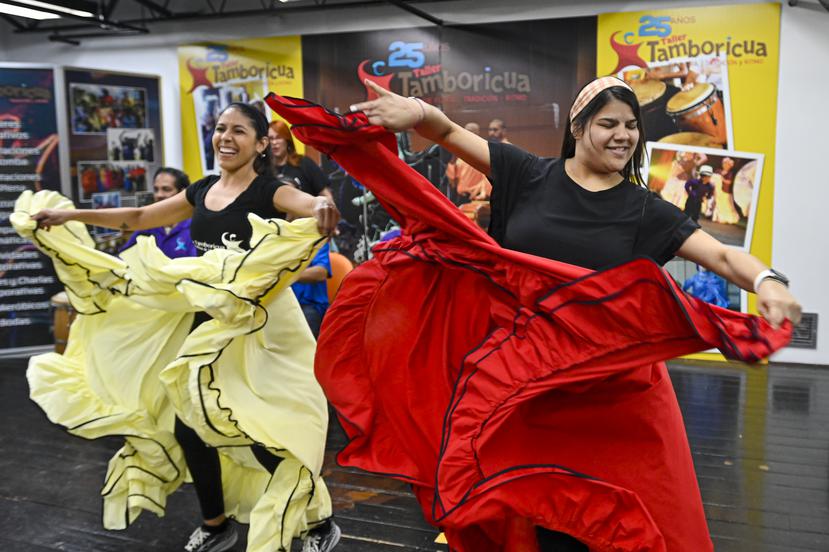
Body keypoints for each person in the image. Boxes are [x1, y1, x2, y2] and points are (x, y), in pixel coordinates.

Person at [339, 75, 800, 551]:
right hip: (528, 383)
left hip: (612, 393)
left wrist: (767, 281)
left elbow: (721, 256)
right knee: (536, 512)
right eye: (608, 123)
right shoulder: (528, 174)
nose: (623, 135)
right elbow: (449, 132)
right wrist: (416, 112)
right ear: (578, 127)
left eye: (631, 125)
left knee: (619, 520)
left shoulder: (645, 209)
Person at [31, 102, 342, 552]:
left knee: (254, 429)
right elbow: (139, 219)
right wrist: (70, 215)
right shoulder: (202, 189)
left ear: (259, 145)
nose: (226, 138)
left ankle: (315, 519)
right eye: (220, 129)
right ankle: (216, 524)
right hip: (204, 325)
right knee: (189, 427)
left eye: (238, 131)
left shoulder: (269, 191)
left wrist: (324, 204)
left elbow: (310, 205)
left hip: (255, 327)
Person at [120, 167, 197, 258]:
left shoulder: (196, 228)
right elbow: (123, 257)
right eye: (156, 189)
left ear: (183, 192)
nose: (159, 195)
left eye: (166, 189)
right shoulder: (148, 225)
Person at [268, 120, 334, 202]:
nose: (274, 142)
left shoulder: (304, 163)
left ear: (287, 140)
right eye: (271, 139)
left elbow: (326, 195)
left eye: (278, 137)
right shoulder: (265, 169)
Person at [445, 122, 491, 203]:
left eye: (471, 131)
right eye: (465, 131)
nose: (466, 134)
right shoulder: (460, 153)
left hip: (477, 196)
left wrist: (483, 193)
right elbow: (452, 181)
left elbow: (487, 176)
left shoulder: (483, 150)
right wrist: (453, 158)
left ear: (477, 133)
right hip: (461, 197)